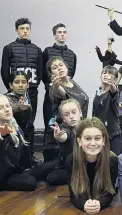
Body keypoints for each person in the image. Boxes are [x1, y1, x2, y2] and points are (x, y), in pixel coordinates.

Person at [0, 18, 43, 166]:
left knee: (29, 125)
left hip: (31, 93)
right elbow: (4, 71)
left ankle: (29, 157)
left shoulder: (37, 50)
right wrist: (11, 89)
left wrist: (33, 86)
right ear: (17, 30)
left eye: (27, 28)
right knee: (14, 123)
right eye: (22, 28)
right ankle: (13, 158)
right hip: (14, 93)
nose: (25, 31)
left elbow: (40, 70)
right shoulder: (9, 48)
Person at [66, 118, 118, 214]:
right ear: (79, 141)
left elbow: (110, 193)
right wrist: (84, 204)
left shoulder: (112, 160)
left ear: (103, 140)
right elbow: (73, 195)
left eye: (97, 138)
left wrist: (99, 204)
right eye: (88, 138)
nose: (93, 143)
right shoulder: (71, 160)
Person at [42, 23, 78, 160]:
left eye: (64, 32)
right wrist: (52, 87)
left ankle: (67, 157)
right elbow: (43, 73)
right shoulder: (47, 51)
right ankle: (48, 159)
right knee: (50, 124)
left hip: (68, 96)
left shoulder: (72, 54)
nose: (62, 34)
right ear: (54, 35)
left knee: (67, 126)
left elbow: (72, 74)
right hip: (52, 94)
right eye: (59, 32)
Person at [46, 56, 89, 161]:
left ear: (66, 67)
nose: (59, 68)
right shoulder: (54, 88)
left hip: (80, 128)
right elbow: (61, 93)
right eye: (55, 68)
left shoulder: (72, 82)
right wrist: (56, 86)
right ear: (51, 74)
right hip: (67, 132)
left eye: (61, 65)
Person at [46, 99, 82, 186]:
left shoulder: (88, 128)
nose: (71, 116)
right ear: (63, 119)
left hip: (82, 167)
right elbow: (64, 136)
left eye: (74, 112)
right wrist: (59, 136)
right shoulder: (65, 129)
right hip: (66, 166)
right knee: (49, 175)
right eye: (67, 114)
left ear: (80, 113)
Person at [92, 66, 122, 154]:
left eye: (110, 73)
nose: (106, 75)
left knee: (112, 160)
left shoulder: (113, 92)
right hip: (98, 132)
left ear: (115, 79)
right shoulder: (98, 91)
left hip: (112, 134)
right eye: (104, 73)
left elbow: (114, 91)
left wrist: (112, 85)